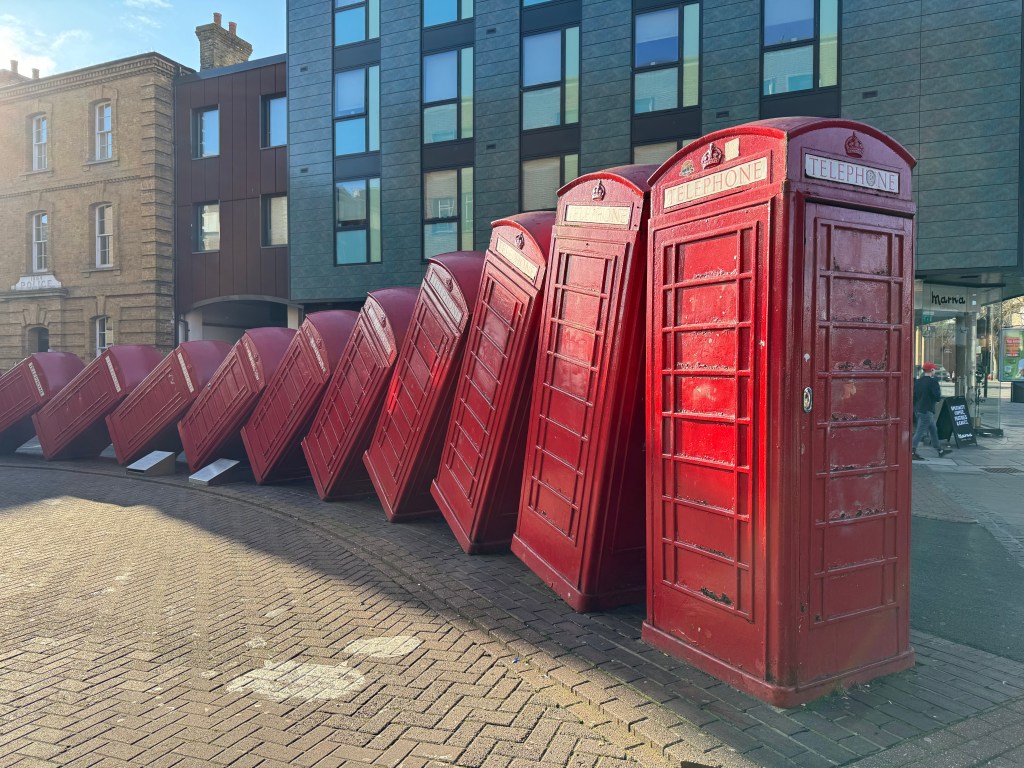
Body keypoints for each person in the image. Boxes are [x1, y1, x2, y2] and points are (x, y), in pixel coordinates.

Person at [912, 362, 948, 460]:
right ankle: (911, 451)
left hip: (918, 409)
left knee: (933, 430)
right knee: (920, 432)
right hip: (927, 410)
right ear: (931, 370)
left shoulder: (918, 381)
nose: (935, 370)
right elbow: (937, 396)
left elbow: (914, 396)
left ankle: (939, 450)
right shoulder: (933, 382)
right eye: (934, 369)